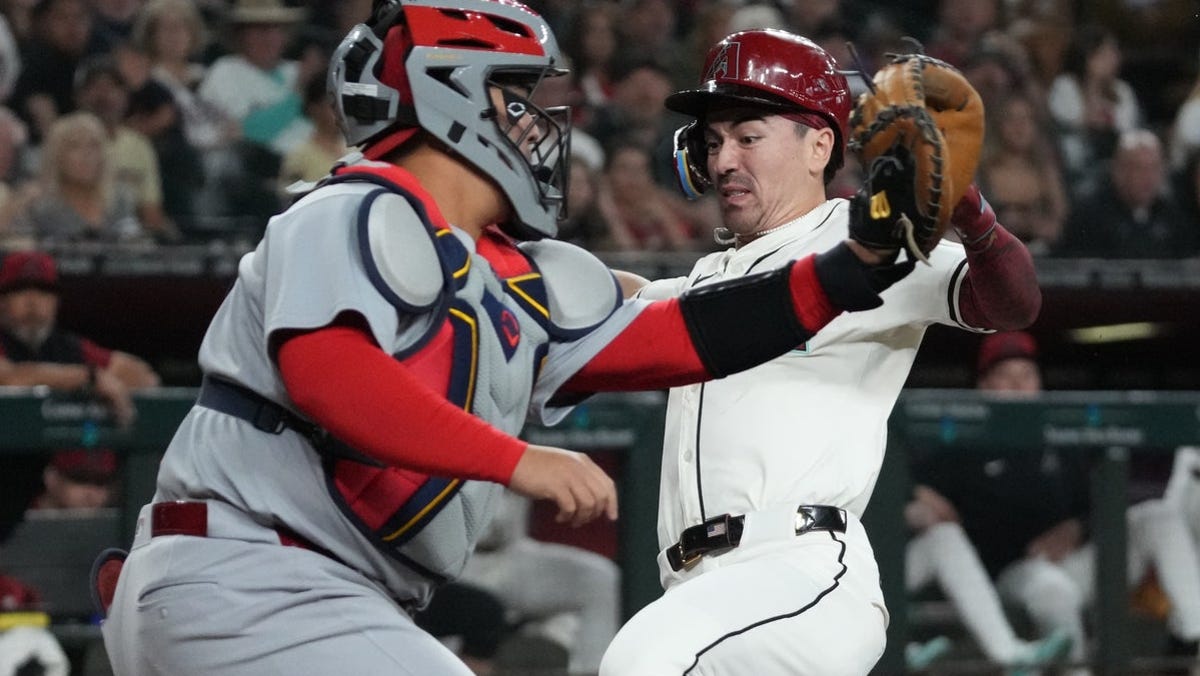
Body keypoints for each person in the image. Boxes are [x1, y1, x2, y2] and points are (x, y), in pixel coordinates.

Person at [95, 3, 919, 675]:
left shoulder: (511, 273)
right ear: (452, 98)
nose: (538, 126)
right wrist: (520, 460)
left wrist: (852, 269)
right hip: (252, 577)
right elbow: (329, 376)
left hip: (309, 597)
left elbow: (682, 338)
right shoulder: (354, 207)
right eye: (516, 98)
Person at [599, 29, 1042, 675]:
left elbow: (1010, 304)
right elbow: (612, 299)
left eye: (748, 136)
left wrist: (969, 211)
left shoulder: (861, 242)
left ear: (819, 144)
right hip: (701, 587)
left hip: (798, 568)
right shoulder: (706, 278)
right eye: (714, 140)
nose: (724, 160)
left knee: (644, 660)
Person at [915, 331, 1200, 674]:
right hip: (1015, 573)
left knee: (1158, 516)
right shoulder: (962, 444)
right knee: (1051, 587)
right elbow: (901, 472)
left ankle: (1189, 636)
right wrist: (918, 492)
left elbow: (1103, 502)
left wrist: (1077, 528)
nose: (1019, 386)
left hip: (1079, 563)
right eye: (1006, 377)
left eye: (1026, 376)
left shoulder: (1062, 437)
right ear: (985, 384)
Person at [459, 490, 619, 676]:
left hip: (512, 555)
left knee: (599, 580)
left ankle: (596, 670)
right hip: (457, 564)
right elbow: (491, 526)